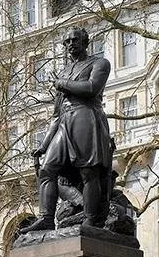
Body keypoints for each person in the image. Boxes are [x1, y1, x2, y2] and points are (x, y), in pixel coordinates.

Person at [22, 26, 113, 232]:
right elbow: (56, 114)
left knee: (88, 172)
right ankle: (46, 218)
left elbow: (91, 88)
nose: (70, 44)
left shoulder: (99, 63)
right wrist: (44, 146)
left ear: (85, 42)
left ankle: (90, 220)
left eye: (75, 40)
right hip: (64, 121)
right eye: (67, 42)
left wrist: (61, 83)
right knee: (47, 169)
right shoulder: (64, 71)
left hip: (86, 118)